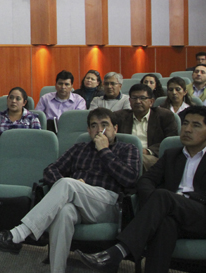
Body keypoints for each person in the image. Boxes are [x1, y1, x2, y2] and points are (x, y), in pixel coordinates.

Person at [0, 108, 140, 273]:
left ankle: (18, 234)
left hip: (108, 205)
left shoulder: (127, 149)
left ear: (115, 128)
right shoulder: (80, 148)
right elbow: (50, 170)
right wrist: (73, 188)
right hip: (79, 202)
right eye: (94, 125)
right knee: (64, 211)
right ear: (88, 130)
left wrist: (104, 151)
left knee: (68, 184)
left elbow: (129, 179)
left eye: (104, 125)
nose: (99, 129)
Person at [77, 106, 206, 273]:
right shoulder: (172, 155)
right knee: (165, 224)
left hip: (200, 214)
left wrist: (168, 201)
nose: (187, 129)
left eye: (196, 125)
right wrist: (158, 205)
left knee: (164, 197)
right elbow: (145, 180)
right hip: (173, 214)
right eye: (186, 123)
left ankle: (119, 251)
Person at [115, 84, 179, 171]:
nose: (138, 101)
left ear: (151, 102)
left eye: (142, 98)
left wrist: (147, 151)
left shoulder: (164, 115)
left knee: (137, 160)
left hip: (151, 157)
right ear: (129, 101)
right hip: (124, 155)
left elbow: (170, 141)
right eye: (134, 98)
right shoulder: (120, 116)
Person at [0, 86, 41, 153]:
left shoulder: (32, 118)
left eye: (18, 99)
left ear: (24, 103)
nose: (13, 101)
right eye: (11, 98)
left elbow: (38, 139)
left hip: (24, 153)